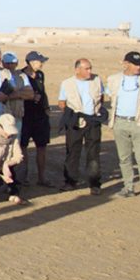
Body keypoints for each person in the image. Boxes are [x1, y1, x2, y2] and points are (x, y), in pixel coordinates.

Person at [106, 51, 140, 205]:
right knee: (124, 158)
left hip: (139, 123)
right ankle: (128, 187)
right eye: (136, 64)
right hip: (119, 122)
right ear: (125, 64)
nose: (138, 67)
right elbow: (109, 97)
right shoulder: (113, 79)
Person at [58, 58, 106, 194]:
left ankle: (94, 184)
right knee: (72, 152)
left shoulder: (97, 80)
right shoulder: (67, 83)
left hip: (93, 121)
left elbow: (101, 97)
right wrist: (71, 115)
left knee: (93, 154)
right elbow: (61, 102)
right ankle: (70, 182)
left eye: (90, 68)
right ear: (77, 70)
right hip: (75, 122)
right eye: (86, 69)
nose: (90, 71)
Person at [20, 51, 52, 187]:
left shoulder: (40, 75)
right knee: (22, 147)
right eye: (40, 61)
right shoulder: (19, 76)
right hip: (25, 115)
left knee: (42, 146)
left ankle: (41, 177)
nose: (42, 63)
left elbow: (43, 92)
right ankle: (23, 177)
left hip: (40, 116)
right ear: (31, 62)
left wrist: (46, 107)